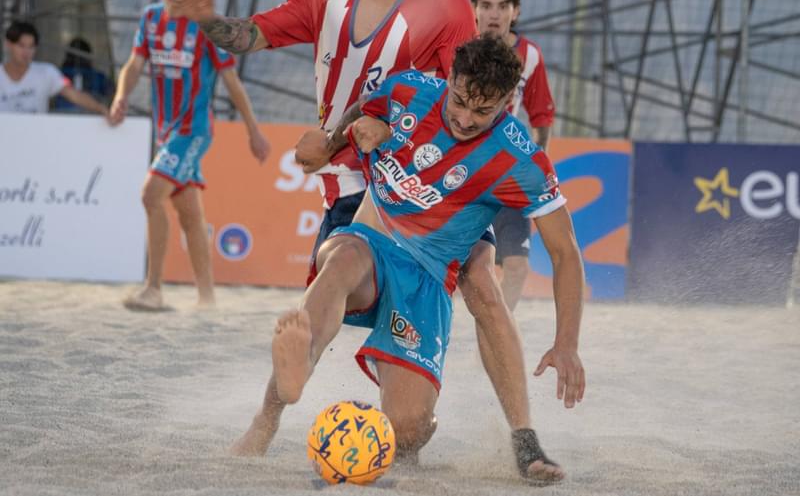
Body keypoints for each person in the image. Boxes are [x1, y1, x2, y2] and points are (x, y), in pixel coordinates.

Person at [169, 0, 547, 478]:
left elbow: (465, 93)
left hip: (429, 180)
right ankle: (267, 418)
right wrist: (206, 20)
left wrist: (464, 167)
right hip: (351, 180)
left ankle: (519, 440)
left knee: (480, 283)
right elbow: (252, 36)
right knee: (333, 281)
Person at [231, 36, 585, 482]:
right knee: (339, 260)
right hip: (373, 241)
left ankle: (419, 422)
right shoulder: (408, 91)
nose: (464, 118)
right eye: (459, 101)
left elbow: (566, 252)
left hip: (428, 278)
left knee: (409, 428)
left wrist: (567, 342)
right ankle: (273, 407)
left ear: (507, 102)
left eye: (483, 111)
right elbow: (364, 109)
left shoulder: (520, 159)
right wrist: (332, 143)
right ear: (449, 79)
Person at [109, 0, 270, 311]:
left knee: (151, 195)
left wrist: (253, 131)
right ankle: (208, 298)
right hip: (167, 131)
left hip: (194, 130)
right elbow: (134, 65)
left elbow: (232, 81)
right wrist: (121, 96)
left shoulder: (205, 24)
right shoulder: (150, 18)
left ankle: (153, 289)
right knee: (190, 215)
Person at [470, 0, 556, 310]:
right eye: (486, 5)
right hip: (459, 171)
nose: (494, 14)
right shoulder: (458, 47)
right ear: (474, 10)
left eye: (502, 6)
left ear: (515, 11)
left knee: (517, 268)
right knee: (451, 265)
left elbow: (542, 115)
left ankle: (495, 340)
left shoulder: (529, 56)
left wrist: (538, 168)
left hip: (507, 173)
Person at [0, 21, 109, 117]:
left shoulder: (47, 72)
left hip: (36, 137)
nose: (26, 52)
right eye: (21, 45)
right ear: (8, 44)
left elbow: (74, 95)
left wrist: (102, 109)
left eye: (31, 46)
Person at [53, 37, 114, 113]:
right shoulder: (58, 75)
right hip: (91, 116)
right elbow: (112, 92)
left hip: (62, 116)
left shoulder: (58, 74)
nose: (78, 59)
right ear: (88, 56)